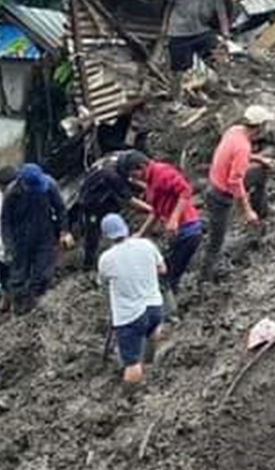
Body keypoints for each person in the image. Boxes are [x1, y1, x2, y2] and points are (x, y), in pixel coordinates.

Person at [201, 106, 275, 284]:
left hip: (217, 183)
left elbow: (237, 155)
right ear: (260, 126)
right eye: (265, 125)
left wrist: (260, 159)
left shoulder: (235, 131)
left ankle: (261, 213)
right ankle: (204, 281)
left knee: (260, 172)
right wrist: (246, 211)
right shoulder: (243, 146)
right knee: (216, 242)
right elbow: (235, 181)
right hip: (220, 195)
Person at [120, 153, 203, 314]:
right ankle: (169, 307)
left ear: (142, 167)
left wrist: (174, 218)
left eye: (133, 175)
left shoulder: (162, 172)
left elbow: (185, 190)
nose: (133, 180)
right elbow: (156, 212)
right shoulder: (150, 182)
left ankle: (170, 315)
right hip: (178, 234)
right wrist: (140, 234)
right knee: (168, 272)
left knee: (165, 274)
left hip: (188, 230)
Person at [97, 214, 166, 386]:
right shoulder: (146, 244)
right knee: (153, 332)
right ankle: (149, 365)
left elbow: (103, 281)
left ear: (106, 236)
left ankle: (129, 400)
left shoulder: (107, 258)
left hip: (130, 316)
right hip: (155, 307)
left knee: (131, 363)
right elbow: (162, 269)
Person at [1, 164, 71, 314]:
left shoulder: (49, 185)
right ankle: (19, 307)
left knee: (44, 273)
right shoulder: (12, 193)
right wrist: (9, 246)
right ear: (23, 183)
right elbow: (5, 222)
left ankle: (35, 302)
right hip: (21, 238)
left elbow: (60, 209)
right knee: (18, 276)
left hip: (45, 234)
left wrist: (64, 231)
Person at [74, 152, 153, 271]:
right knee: (93, 232)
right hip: (92, 200)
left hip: (106, 191)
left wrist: (150, 187)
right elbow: (129, 200)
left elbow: (131, 179)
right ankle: (88, 265)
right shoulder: (112, 175)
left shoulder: (119, 158)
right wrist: (153, 210)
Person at [166, 0, 232, 75]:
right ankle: (176, 92)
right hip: (178, 31)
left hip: (200, 30)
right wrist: (164, 27)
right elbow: (169, 5)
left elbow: (221, 11)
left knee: (218, 55)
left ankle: (226, 83)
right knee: (178, 69)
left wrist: (225, 32)